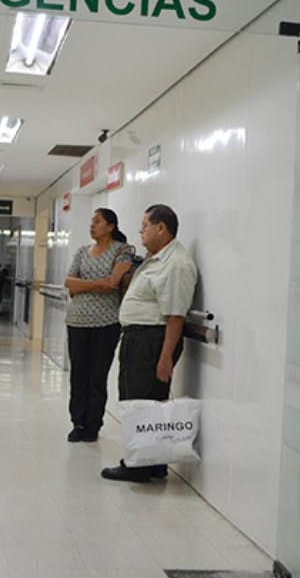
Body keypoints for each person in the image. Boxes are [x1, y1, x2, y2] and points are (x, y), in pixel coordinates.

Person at [101, 204, 197, 483]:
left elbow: (176, 316)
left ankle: (138, 466)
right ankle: (154, 462)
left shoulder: (176, 264)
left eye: (145, 226)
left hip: (151, 341)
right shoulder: (156, 259)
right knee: (144, 402)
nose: (140, 231)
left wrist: (165, 357)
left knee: (141, 403)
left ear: (161, 228)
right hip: (140, 338)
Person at [63, 208, 134, 443]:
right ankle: (78, 422)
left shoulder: (122, 251)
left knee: (97, 375)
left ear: (111, 226)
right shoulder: (82, 251)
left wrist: (83, 285)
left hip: (106, 324)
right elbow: (68, 282)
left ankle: (93, 424)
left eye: (97, 222)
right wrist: (98, 285)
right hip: (77, 322)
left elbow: (113, 283)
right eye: (91, 222)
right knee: (78, 373)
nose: (92, 226)